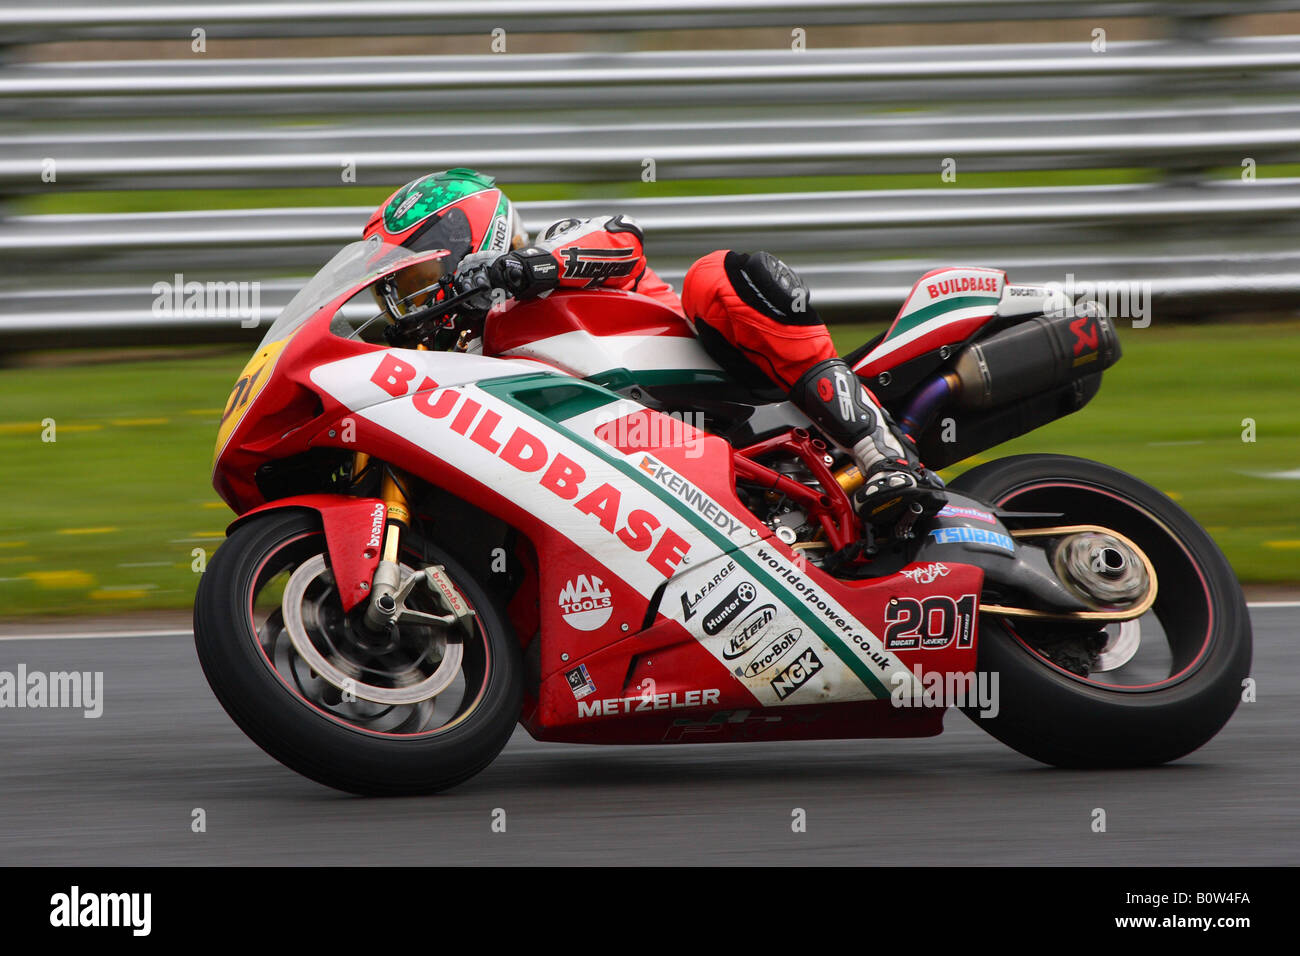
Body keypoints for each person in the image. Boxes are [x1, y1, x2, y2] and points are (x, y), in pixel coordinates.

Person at [362, 168, 944, 525]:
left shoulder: (547, 258)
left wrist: (531, 265)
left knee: (716, 275)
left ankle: (881, 451)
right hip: (640, 484)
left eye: (414, 277)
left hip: (730, 387)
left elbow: (624, 237)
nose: (410, 301)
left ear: (470, 239)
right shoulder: (465, 361)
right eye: (397, 290)